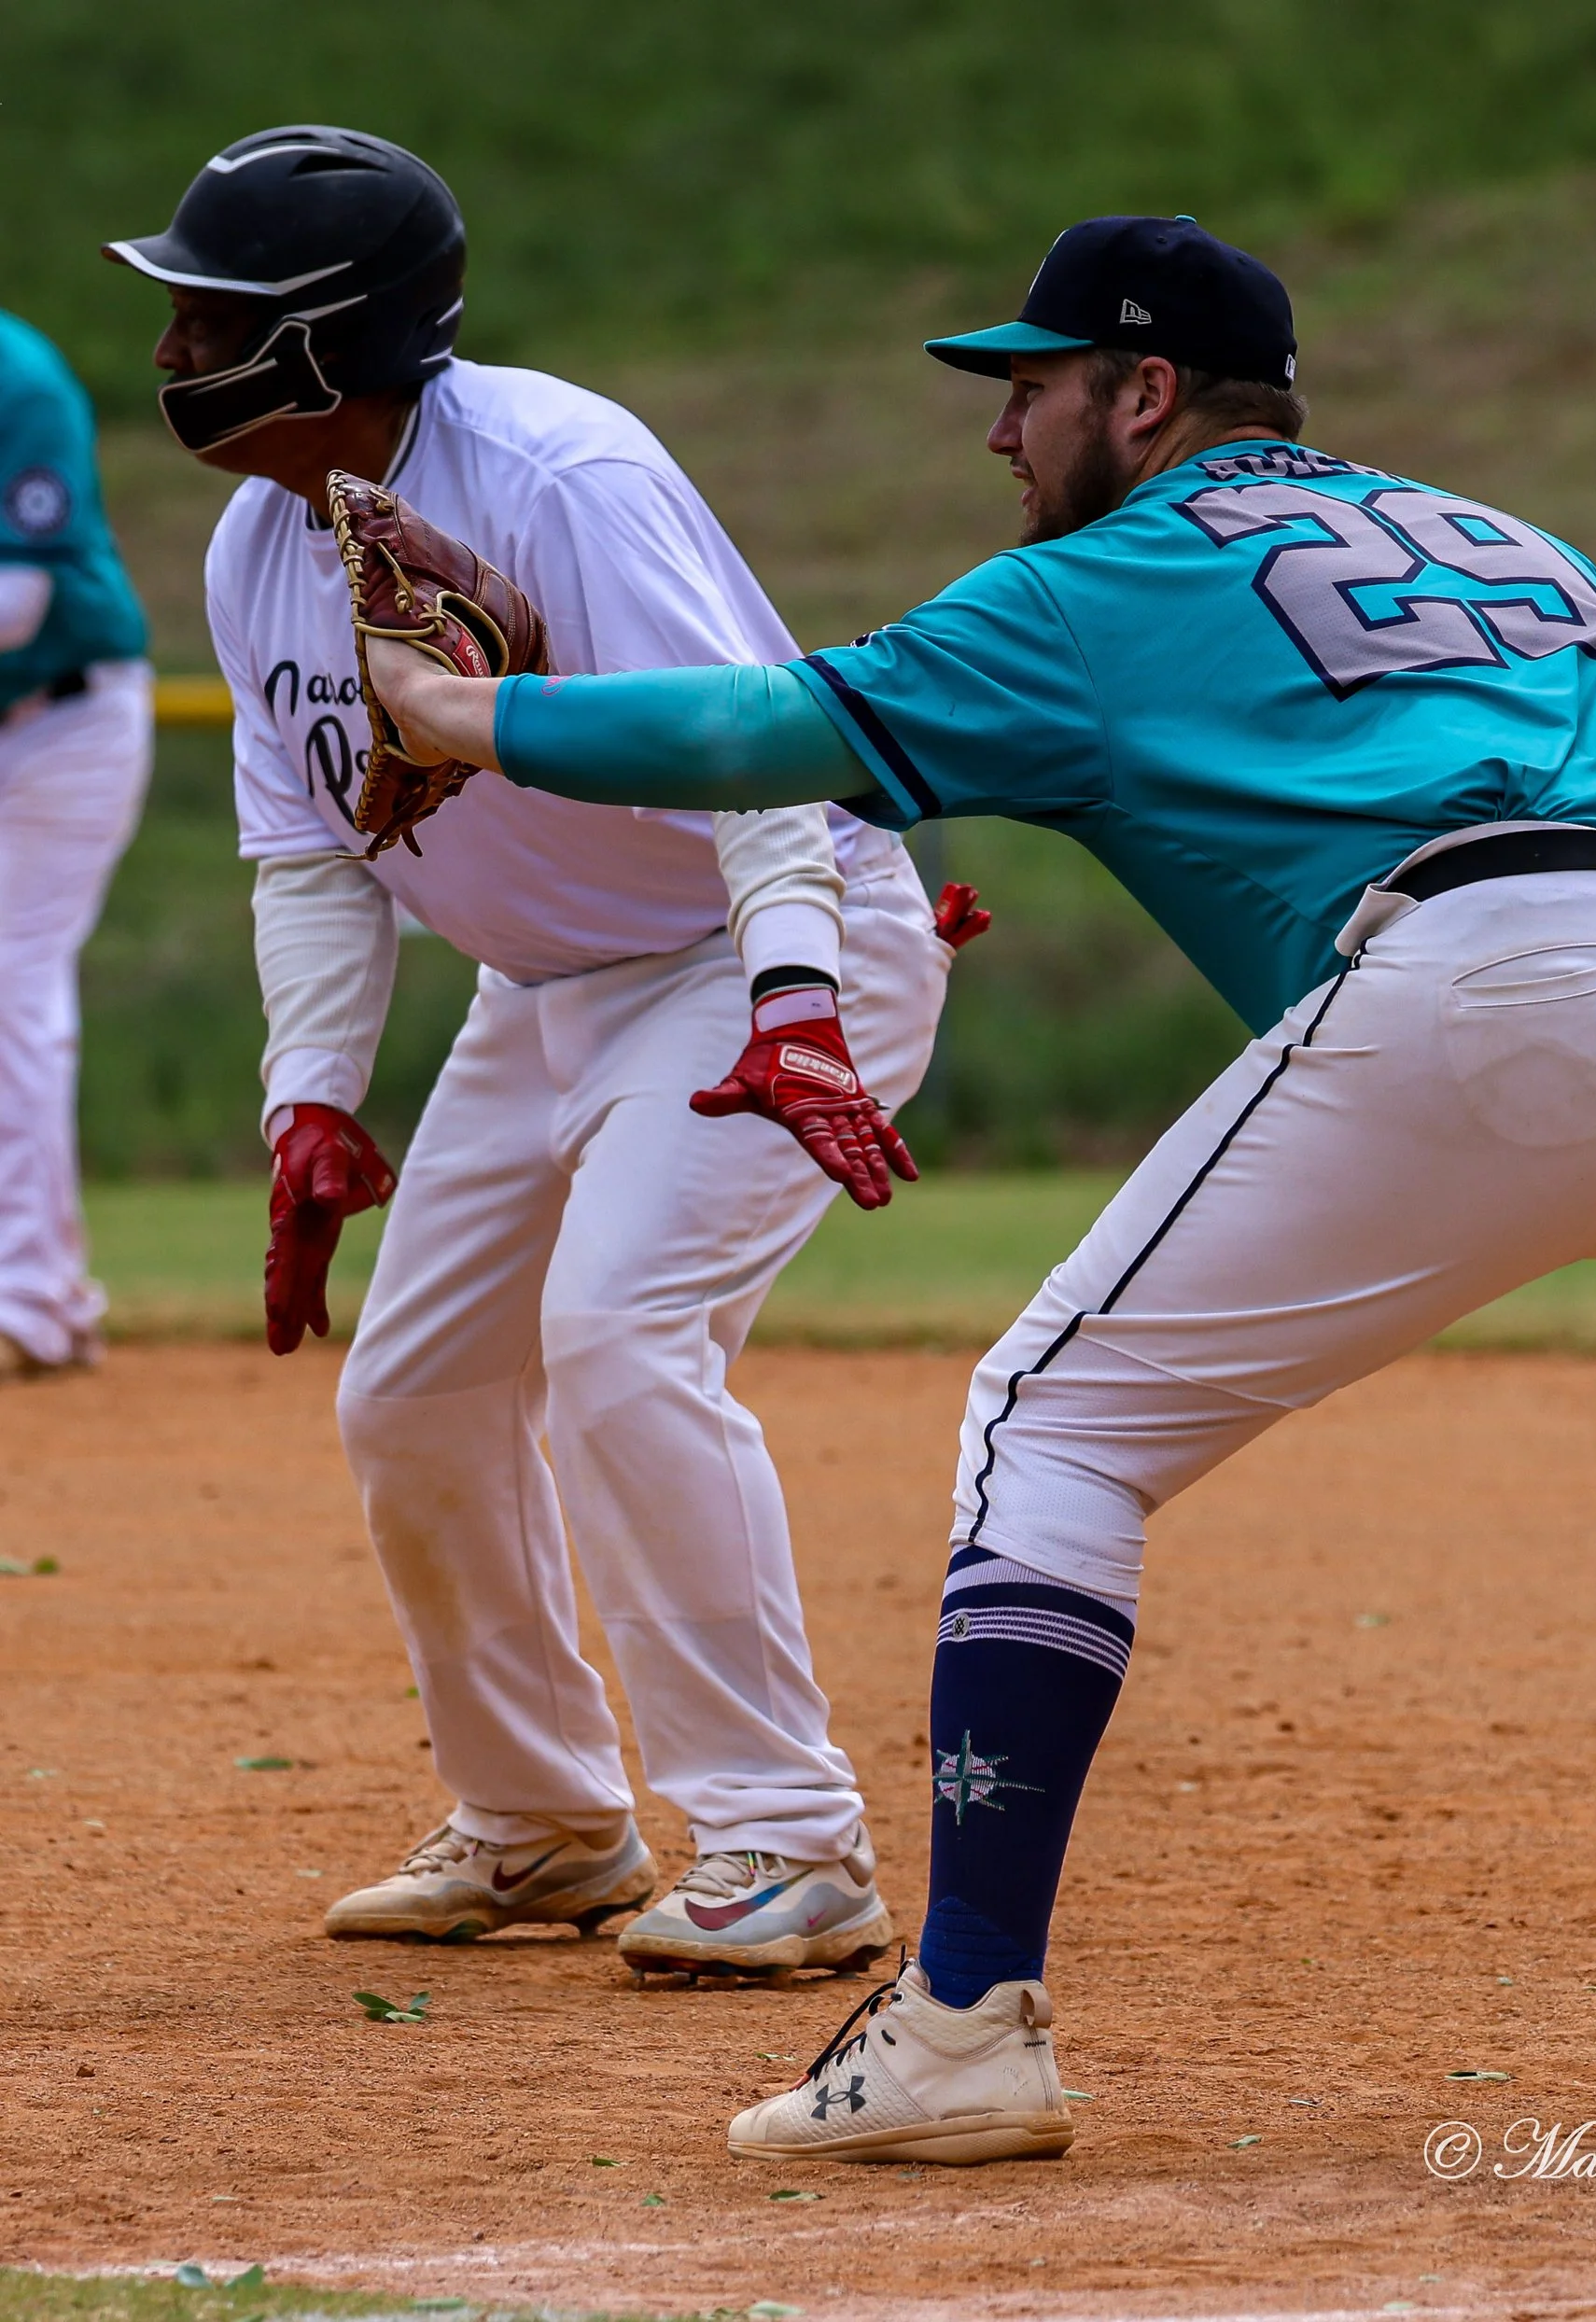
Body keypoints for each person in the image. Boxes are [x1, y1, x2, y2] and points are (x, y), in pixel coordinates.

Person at [355, 213, 1596, 2161]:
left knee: (1045, 1426)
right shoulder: (1495, 532)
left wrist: (461, 717)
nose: (1000, 436)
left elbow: (769, 730)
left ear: (1143, 395)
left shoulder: (1098, 581)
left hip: (1508, 965)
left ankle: (964, 2017)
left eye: (1030, 388)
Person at [106, 126, 975, 1973]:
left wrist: (800, 995)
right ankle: (544, 1824)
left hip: (756, 946)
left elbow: (759, 742)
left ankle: (785, 1843)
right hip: (540, 989)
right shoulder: (257, 542)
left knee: (618, 1335)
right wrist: (312, 1092)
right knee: (411, 1393)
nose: (173, 358)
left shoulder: (557, 469)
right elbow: (307, 846)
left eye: (209, 319)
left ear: (327, 341)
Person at [0, 311, 151, 1380]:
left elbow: (18, 596)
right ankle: (44, 1291)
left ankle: (31, 1301)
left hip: (60, 724)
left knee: (10, 990)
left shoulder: (18, 378)